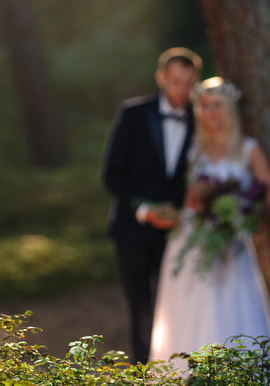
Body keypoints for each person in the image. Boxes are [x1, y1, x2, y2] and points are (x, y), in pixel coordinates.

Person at [149, 77, 270, 368]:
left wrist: (246, 212)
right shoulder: (195, 151)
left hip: (233, 242)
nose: (212, 113)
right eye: (206, 107)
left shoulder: (248, 149)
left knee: (234, 307)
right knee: (192, 310)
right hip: (194, 240)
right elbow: (190, 199)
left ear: (230, 110)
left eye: (218, 107)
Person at [102, 47, 202, 363]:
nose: (181, 90)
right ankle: (143, 373)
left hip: (176, 235)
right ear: (161, 78)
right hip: (132, 232)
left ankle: (174, 370)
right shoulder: (133, 113)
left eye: (188, 83)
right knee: (140, 309)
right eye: (175, 81)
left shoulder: (201, 119)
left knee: (174, 308)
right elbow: (111, 175)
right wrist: (145, 210)